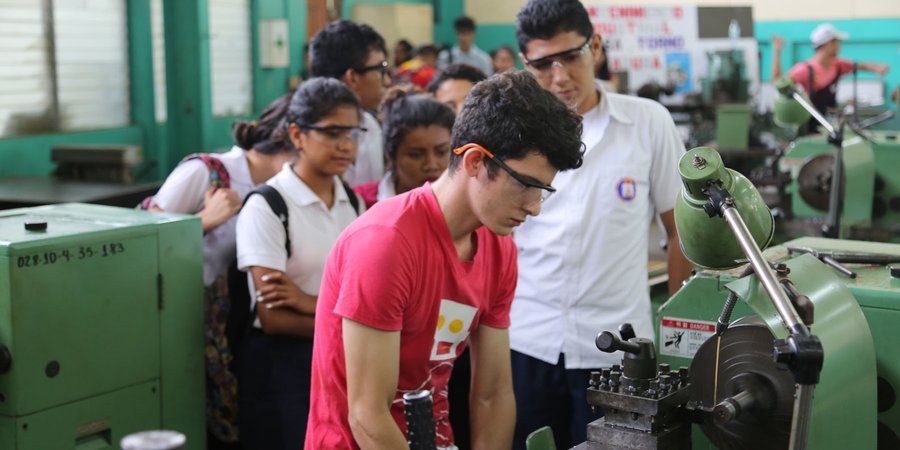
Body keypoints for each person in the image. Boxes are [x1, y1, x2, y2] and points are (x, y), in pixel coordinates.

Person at [305, 71, 585, 450]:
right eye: (525, 186)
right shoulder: (386, 244)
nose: (534, 208)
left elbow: (493, 394)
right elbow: (368, 415)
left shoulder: (498, 248)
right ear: (474, 161)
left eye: (543, 191)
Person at [511, 0, 693, 448]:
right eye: (543, 64)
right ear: (524, 64)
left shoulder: (647, 123)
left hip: (618, 351)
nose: (560, 78)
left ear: (594, 46)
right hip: (526, 341)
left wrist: (676, 341)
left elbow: (680, 236)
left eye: (571, 57)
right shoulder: (511, 130)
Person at [145, 94, 297, 450]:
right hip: (173, 320)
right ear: (287, 141)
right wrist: (202, 221)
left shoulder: (279, 191)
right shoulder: (206, 171)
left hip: (222, 324)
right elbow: (141, 239)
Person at [234, 78, 365, 450]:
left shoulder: (354, 204)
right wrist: (350, 323)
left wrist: (309, 302)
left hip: (336, 360)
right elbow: (275, 317)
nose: (346, 145)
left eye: (353, 133)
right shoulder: (268, 205)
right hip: (282, 365)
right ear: (297, 134)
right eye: (332, 133)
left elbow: (361, 295)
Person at [309, 20, 390, 187]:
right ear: (352, 77)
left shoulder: (369, 125)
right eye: (381, 70)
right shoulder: (306, 133)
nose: (387, 81)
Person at [771, 24, 889, 133]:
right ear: (829, 44)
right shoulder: (805, 70)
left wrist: (876, 68)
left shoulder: (838, 64)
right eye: (837, 42)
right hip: (811, 127)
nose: (839, 46)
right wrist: (777, 52)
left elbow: (860, 66)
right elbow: (778, 82)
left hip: (829, 124)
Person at [353, 86, 455, 209]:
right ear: (391, 156)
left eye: (441, 152)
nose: (431, 165)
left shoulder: (468, 207)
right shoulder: (359, 202)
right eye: (416, 155)